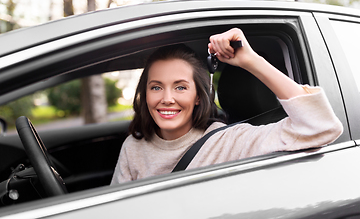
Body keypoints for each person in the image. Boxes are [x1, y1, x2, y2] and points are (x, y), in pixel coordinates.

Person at [111, 28, 343, 184]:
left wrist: (250, 60)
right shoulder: (133, 148)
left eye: (181, 87)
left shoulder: (229, 141)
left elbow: (320, 127)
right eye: (156, 87)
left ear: (199, 96)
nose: (167, 98)